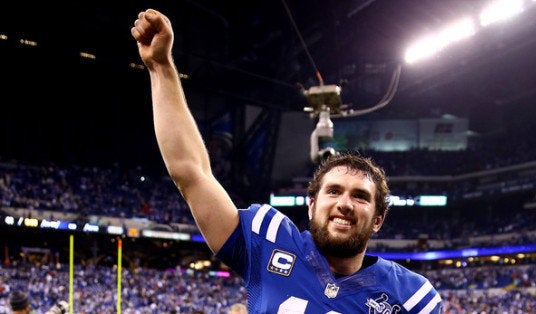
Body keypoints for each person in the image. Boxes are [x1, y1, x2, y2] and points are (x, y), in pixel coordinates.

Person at [131, 8, 442, 313]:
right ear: (311, 205)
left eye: (360, 197)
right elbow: (191, 173)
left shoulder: (411, 298)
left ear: (378, 219)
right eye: (333, 191)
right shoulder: (267, 240)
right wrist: (161, 66)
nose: (345, 203)